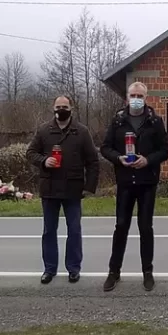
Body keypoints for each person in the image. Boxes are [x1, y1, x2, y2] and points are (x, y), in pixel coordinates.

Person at [100, 82, 168, 292]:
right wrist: (118, 158)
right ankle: (114, 272)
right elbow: (105, 147)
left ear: (146, 97)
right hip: (125, 181)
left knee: (145, 227)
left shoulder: (155, 121)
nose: (136, 98)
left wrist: (147, 160)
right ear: (127, 97)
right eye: (133, 95)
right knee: (121, 226)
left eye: (140, 95)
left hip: (147, 182)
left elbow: (164, 150)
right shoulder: (118, 120)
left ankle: (147, 272)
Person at [26, 96, 99, 284]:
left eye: (64, 106)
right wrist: (44, 160)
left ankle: (74, 268)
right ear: (53, 109)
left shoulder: (82, 132)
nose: (61, 109)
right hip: (49, 188)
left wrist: (89, 187)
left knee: (74, 230)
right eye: (58, 107)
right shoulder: (43, 130)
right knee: (49, 231)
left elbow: (92, 161)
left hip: (73, 189)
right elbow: (30, 153)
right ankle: (49, 269)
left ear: (71, 108)